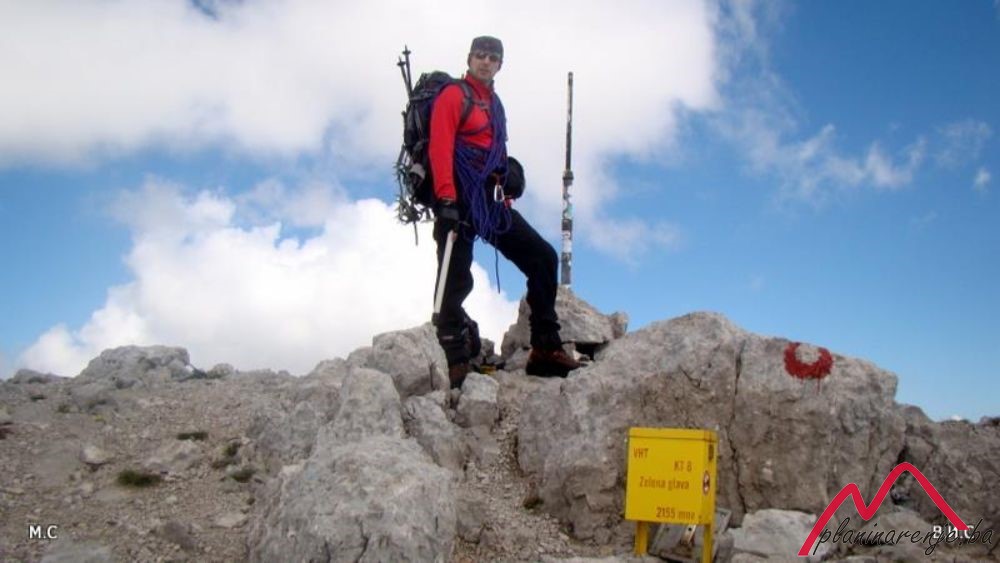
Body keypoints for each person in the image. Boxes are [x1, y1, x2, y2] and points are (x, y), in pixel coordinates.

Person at [430, 35, 581, 388]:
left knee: (542, 257)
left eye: (493, 57)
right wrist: (447, 201)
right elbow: (440, 147)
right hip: (457, 198)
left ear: (500, 64)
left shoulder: (495, 104)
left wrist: (507, 181)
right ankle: (454, 358)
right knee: (455, 277)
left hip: (489, 201)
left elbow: (495, 150)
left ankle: (545, 348)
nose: (485, 61)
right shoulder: (453, 95)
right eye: (480, 55)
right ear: (469, 59)